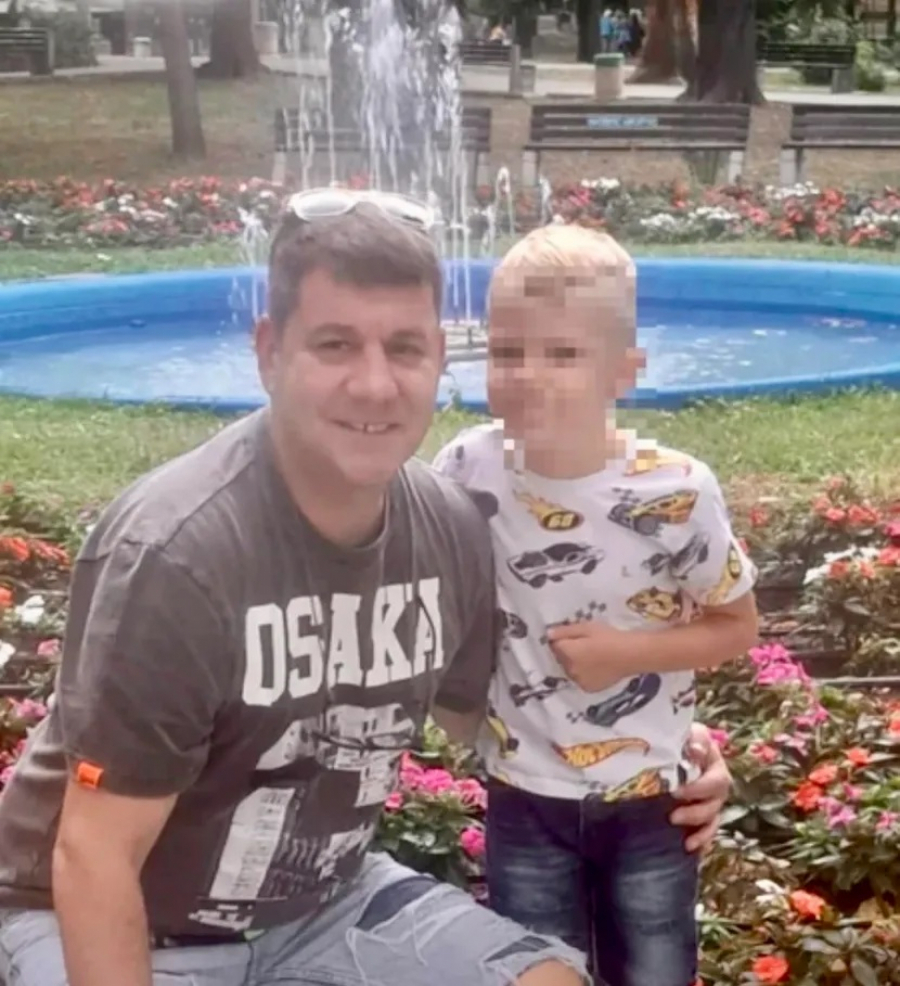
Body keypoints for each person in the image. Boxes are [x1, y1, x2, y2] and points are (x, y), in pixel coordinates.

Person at [0, 190, 732, 986]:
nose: (376, 385)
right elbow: (94, 856)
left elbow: (514, 707)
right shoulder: (179, 557)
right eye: (336, 345)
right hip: (111, 920)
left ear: (439, 360)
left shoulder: (450, 527)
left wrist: (666, 756)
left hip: (325, 906)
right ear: (269, 353)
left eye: (405, 348)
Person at [432, 224, 759, 986]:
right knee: (537, 969)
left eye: (562, 353)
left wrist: (626, 654)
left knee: (654, 969)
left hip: (650, 800)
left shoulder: (676, 491)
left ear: (624, 371)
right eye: (507, 351)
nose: (528, 375)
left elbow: (736, 626)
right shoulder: (466, 469)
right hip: (523, 796)